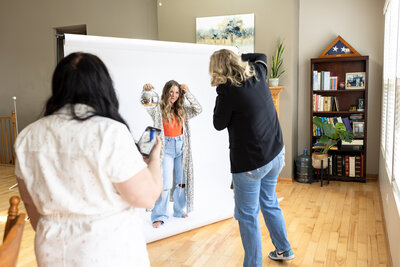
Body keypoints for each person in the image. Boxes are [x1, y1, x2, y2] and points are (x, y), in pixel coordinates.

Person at [15, 52, 162, 267]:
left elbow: (31, 205)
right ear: (103, 87)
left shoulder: (27, 136)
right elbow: (146, 198)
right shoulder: (110, 133)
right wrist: (155, 160)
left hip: (53, 252)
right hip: (109, 251)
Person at [209, 49, 294, 266]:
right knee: (269, 201)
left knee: (247, 216)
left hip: (251, 164)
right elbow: (262, 55)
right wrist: (237, 57)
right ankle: (284, 249)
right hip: (275, 153)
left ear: (217, 69)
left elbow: (218, 123)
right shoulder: (257, 71)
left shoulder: (226, 91)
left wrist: (221, 89)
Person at [142, 81, 202, 228]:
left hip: (181, 147)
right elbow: (146, 103)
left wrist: (187, 93)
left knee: (181, 182)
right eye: (171, 92)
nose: (174, 95)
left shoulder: (183, 110)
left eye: (176, 92)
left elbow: (198, 109)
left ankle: (179, 210)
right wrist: (146, 91)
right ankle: (159, 215)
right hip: (166, 149)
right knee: (165, 184)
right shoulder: (158, 109)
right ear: (166, 92)